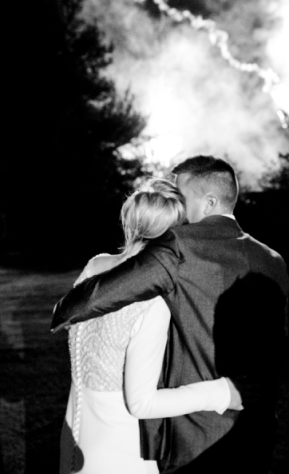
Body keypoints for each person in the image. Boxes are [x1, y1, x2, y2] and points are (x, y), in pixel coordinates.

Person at [52, 156, 289, 474]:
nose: (175, 201)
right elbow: (279, 343)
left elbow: (97, 298)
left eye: (181, 194)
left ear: (208, 201)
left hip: (193, 435)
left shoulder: (177, 248)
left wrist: (64, 310)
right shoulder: (273, 259)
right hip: (256, 424)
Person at [59, 179, 235, 474]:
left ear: (130, 222)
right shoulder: (152, 298)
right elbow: (142, 403)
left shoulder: (95, 267)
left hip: (76, 434)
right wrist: (223, 393)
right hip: (121, 450)